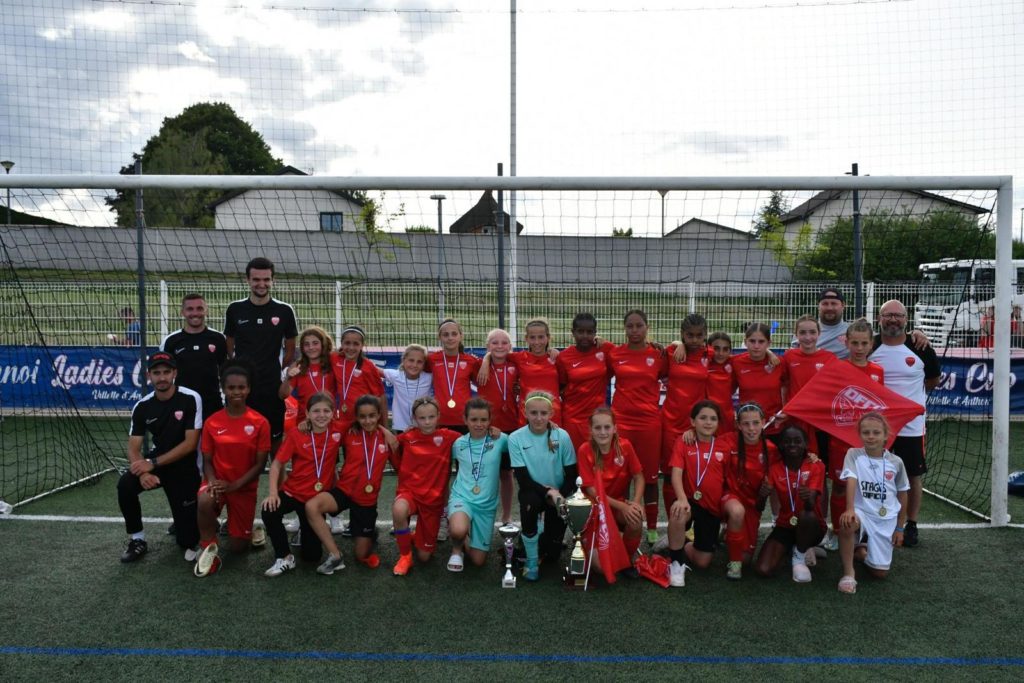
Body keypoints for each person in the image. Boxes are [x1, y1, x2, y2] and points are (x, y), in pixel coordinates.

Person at [116, 351, 202, 563]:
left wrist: (152, 463)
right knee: (125, 485)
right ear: (149, 376)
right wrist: (142, 472)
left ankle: (189, 523)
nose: (162, 377)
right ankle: (137, 539)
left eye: (166, 372)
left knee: (187, 541)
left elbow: (190, 444)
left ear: (175, 373)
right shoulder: (142, 406)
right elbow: (133, 448)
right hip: (157, 465)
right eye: (156, 373)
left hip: (185, 467)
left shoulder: (191, 398)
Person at [869, 299, 940, 547]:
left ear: (906, 319)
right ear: (879, 319)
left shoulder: (920, 347)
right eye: (887, 315)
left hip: (912, 426)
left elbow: (932, 380)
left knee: (912, 475)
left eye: (898, 315)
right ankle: (875, 521)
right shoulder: (870, 345)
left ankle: (911, 524)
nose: (893, 319)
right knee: (875, 473)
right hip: (877, 428)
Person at [304, 395, 399, 571]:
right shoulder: (348, 432)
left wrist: (386, 431)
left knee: (361, 555)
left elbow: (400, 468)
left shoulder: (387, 439)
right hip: (344, 491)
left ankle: (369, 532)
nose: (367, 421)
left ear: (379, 415)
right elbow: (326, 425)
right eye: (362, 417)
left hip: (366, 500)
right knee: (312, 506)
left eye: (372, 416)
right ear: (356, 417)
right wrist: (306, 422)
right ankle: (335, 555)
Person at [193, 365, 271, 577]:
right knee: (205, 499)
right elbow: (207, 460)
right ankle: (208, 546)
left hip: (243, 487)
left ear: (249, 389)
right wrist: (212, 482)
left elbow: (260, 465)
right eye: (231, 387)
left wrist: (234, 485)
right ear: (223, 389)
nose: (236, 392)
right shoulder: (212, 422)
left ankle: (247, 531)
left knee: (238, 548)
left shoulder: (260, 422)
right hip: (218, 482)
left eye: (241, 387)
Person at [261, 392, 343, 577]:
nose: (321, 415)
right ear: (307, 414)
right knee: (269, 509)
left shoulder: (338, 431)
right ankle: (284, 556)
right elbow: (276, 464)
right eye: (316, 411)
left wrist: (386, 432)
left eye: (326, 411)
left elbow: (361, 424)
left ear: (333, 413)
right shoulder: (297, 433)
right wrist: (273, 493)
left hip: (315, 502)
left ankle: (303, 531)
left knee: (312, 556)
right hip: (294, 493)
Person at [824, 318, 886, 549]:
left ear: (871, 344)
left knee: (866, 487)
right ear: (846, 343)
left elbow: (883, 404)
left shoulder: (878, 371)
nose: (859, 348)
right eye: (855, 343)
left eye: (864, 343)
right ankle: (837, 530)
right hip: (840, 441)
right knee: (841, 486)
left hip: (868, 442)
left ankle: (865, 531)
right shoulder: (837, 369)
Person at [224, 256, 298, 446]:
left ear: (273, 280)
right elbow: (229, 344)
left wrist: (276, 369)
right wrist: (240, 368)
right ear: (248, 280)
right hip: (243, 387)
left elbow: (290, 349)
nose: (261, 284)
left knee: (275, 442)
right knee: (241, 441)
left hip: (271, 387)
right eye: (256, 279)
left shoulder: (284, 310)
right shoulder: (235, 309)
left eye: (266, 279)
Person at [607, 309, 666, 544]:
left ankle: (651, 528)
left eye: (639, 325)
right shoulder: (614, 353)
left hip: (649, 424)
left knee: (650, 478)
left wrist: (674, 344)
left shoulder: (659, 354)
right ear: (624, 328)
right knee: (621, 476)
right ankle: (619, 524)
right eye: (630, 326)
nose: (634, 330)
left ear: (647, 327)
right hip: (621, 422)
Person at [508, 390, 578, 581]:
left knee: (552, 556)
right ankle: (531, 561)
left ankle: (541, 536)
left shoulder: (562, 436)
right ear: (525, 412)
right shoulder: (515, 438)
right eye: (533, 413)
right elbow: (523, 479)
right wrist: (549, 492)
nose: (538, 418)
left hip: (559, 494)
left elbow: (571, 475)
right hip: (533, 492)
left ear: (551, 414)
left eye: (543, 413)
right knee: (529, 502)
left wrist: (559, 495)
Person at [837, 412, 910, 594]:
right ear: (860, 434)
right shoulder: (854, 454)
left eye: (876, 433)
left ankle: (861, 552)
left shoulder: (896, 462)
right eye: (866, 432)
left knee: (879, 573)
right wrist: (850, 509)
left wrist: (900, 528)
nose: (871, 436)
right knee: (847, 522)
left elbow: (903, 494)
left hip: (886, 518)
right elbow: (851, 480)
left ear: (886, 436)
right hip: (862, 512)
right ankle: (849, 574)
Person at [392, 397, 462, 576]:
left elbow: (473, 438)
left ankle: (414, 536)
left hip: (432, 502)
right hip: (409, 493)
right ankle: (405, 556)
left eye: (431, 417)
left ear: (438, 416)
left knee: (424, 557)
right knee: (399, 509)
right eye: (422, 418)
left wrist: (491, 430)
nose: (427, 422)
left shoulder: (449, 437)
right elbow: (389, 442)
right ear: (414, 419)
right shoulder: (407, 437)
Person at [665, 401, 730, 585]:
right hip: (689, 501)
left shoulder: (724, 446)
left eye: (713, 419)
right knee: (678, 512)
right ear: (693, 421)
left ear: (718, 423)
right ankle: (676, 563)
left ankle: (681, 543)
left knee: (702, 562)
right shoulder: (684, 441)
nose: (708, 422)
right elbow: (676, 474)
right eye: (703, 418)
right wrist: (681, 498)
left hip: (711, 507)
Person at [576, 406, 644, 575]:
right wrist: (623, 506)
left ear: (615, 428)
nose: (603, 432)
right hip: (595, 509)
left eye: (607, 427)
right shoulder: (585, 450)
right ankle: (588, 544)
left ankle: (626, 560)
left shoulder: (625, 446)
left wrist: (635, 503)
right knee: (601, 569)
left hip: (616, 505)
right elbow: (592, 491)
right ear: (591, 430)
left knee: (635, 518)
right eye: (597, 428)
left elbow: (639, 477)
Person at [754, 425, 826, 582]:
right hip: (785, 525)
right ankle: (794, 547)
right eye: (787, 441)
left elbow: (810, 506)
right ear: (781, 445)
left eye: (797, 441)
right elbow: (759, 507)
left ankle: (799, 557)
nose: (792, 445)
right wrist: (762, 496)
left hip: (812, 526)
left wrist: (807, 497)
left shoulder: (816, 466)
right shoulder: (774, 469)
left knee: (806, 516)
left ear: (805, 444)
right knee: (763, 569)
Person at [447, 398, 511, 571]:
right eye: (474, 419)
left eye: (484, 420)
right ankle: (456, 549)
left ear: (490, 421)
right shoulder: (458, 444)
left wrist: (549, 426)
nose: (479, 424)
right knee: (458, 529)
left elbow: (522, 439)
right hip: (462, 497)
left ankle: (465, 533)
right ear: (465, 420)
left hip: (486, 506)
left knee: (478, 561)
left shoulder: (500, 440)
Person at [661, 314, 710, 523]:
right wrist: (677, 344)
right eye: (689, 335)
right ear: (682, 334)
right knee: (670, 474)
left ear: (705, 335)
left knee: (695, 475)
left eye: (699, 335)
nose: (694, 340)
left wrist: (769, 352)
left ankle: (693, 524)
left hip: (697, 426)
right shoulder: (671, 352)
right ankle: (674, 523)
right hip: (671, 423)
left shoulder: (711, 354)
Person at [721, 402, 777, 577]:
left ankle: (727, 534)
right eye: (746, 424)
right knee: (737, 511)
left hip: (752, 505)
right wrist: (692, 432)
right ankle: (734, 565)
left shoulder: (771, 449)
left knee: (746, 558)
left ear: (763, 422)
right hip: (727, 497)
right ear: (738, 425)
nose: (751, 428)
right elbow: (703, 442)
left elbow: (779, 474)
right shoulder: (727, 441)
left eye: (755, 423)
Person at [160, 293, 228, 421]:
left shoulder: (218, 339)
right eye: (190, 309)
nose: (195, 313)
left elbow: (226, 372)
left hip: (212, 404)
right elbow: (164, 374)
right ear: (182, 312)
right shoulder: (171, 341)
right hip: (182, 404)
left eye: (199, 308)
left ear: (206, 311)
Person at [481, 318, 561, 426]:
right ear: (526, 338)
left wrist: (555, 351)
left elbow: (564, 384)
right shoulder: (519, 358)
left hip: (552, 414)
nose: (537, 342)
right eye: (532, 337)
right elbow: (498, 352)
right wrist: (485, 360)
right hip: (527, 416)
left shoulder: (557, 358)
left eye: (541, 337)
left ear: (548, 337)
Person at [474, 329, 518, 524]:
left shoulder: (516, 364)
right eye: (494, 343)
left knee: (506, 474)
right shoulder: (478, 365)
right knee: (483, 474)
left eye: (504, 342)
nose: (499, 346)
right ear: (487, 346)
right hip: (485, 428)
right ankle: (481, 513)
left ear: (510, 346)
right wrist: (486, 359)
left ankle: (507, 515)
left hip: (511, 427)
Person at [556, 312, 614, 451]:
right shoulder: (564, 357)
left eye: (589, 332)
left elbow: (629, 351)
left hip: (598, 418)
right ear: (573, 332)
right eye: (580, 331)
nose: (585, 336)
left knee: (598, 458)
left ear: (595, 333)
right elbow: (561, 386)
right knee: (574, 458)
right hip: (573, 419)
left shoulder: (605, 350)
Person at [732, 323, 787, 439]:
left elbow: (788, 387)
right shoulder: (736, 362)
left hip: (773, 426)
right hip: (748, 428)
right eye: (752, 341)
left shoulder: (779, 363)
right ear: (745, 342)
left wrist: (786, 411)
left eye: (761, 342)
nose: (756, 346)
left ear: (769, 343)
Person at [428, 319, 482, 432]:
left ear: (461, 336)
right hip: (439, 419)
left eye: (454, 334)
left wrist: (486, 360)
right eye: (445, 335)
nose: (450, 338)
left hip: (464, 420)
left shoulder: (471, 361)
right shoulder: (432, 360)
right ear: (439, 337)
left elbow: (483, 384)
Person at [330, 325, 386, 428]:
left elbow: (380, 397)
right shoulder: (335, 359)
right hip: (342, 419)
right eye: (347, 343)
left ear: (362, 345)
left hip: (363, 421)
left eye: (356, 344)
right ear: (341, 343)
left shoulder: (368, 367)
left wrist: (384, 426)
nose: (351, 348)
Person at [279, 326, 336, 424]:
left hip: (329, 421)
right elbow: (282, 395)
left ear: (323, 344)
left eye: (315, 343)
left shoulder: (333, 363)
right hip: (304, 423)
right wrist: (288, 378)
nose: (311, 347)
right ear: (302, 347)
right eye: (306, 344)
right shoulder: (298, 366)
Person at [382, 344, 433, 433]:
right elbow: (372, 369)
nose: (414, 365)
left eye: (419, 362)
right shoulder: (396, 376)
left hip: (424, 425)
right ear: (403, 360)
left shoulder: (429, 378)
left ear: (424, 364)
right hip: (401, 427)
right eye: (411, 360)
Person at [706, 331, 737, 434]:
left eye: (725, 349)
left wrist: (769, 353)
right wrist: (679, 344)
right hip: (707, 415)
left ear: (730, 350)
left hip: (727, 416)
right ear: (709, 348)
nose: (721, 353)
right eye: (716, 348)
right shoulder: (703, 362)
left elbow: (753, 355)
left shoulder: (734, 362)